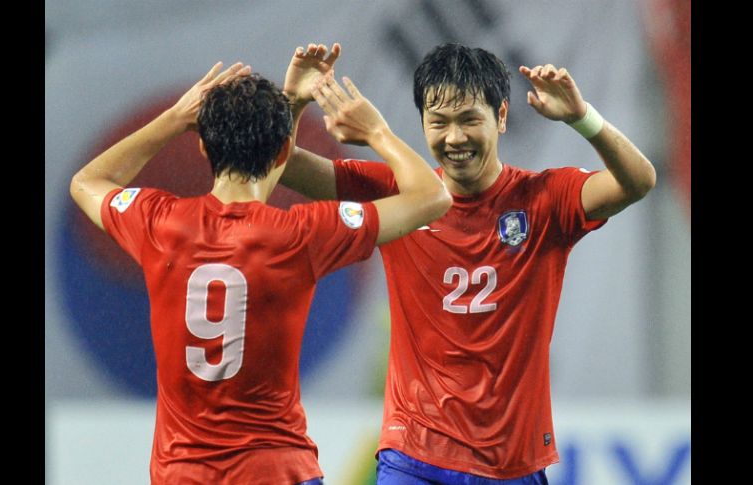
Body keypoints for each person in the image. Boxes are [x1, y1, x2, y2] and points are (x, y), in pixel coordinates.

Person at [69, 43, 451, 485]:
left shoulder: (160, 223)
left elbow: (88, 182)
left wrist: (174, 118)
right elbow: (431, 198)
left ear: (203, 151)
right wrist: (376, 132)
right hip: (278, 470)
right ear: (281, 156)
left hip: (184, 474)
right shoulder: (302, 235)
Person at [280, 43, 657, 484]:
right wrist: (293, 101)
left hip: (511, 463)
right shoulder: (399, 196)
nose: (454, 138)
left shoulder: (544, 199)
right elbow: (281, 165)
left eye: (469, 120)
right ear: (422, 125)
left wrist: (582, 118)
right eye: (438, 123)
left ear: (500, 116)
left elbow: (638, 181)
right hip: (413, 454)